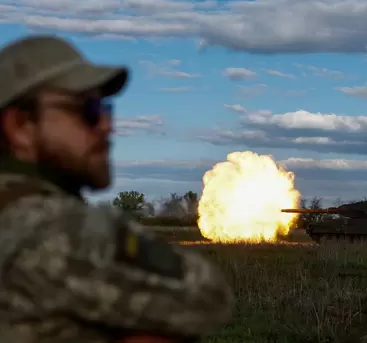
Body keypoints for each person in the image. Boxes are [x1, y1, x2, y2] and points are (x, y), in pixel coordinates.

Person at [0, 35, 234, 342]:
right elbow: (209, 296)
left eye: (106, 109)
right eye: (89, 110)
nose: (107, 126)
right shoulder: (57, 228)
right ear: (21, 126)